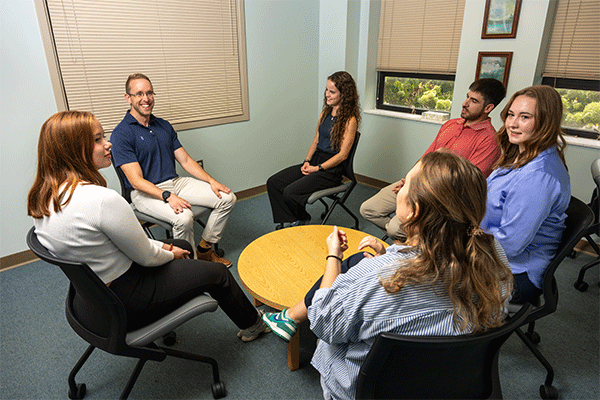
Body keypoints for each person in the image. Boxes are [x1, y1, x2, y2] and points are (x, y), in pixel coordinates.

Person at [263, 150, 513, 399]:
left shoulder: (377, 278)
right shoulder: (495, 257)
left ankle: (288, 317)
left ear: (414, 211)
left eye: (405, 182)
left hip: (371, 391)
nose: (400, 185)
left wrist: (334, 257)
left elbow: (323, 323)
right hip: (449, 384)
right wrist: (389, 257)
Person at [27, 111, 270, 341]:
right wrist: (170, 253)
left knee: (182, 243)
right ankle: (254, 326)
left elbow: (126, 243)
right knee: (218, 274)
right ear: (72, 150)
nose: (107, 144)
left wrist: (169, 248)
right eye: (97, 139)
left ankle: (189, 274)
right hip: (126, 299)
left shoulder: (45, 198)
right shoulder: (102, 200)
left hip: (93, 298)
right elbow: (146, 257)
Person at [110, 73, 235, 267]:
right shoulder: (121, 134)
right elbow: (136, 181)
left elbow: (184, 160)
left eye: (149, 93)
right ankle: (191, 268)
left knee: (227, 198)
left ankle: (204, 250)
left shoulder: (163, 125)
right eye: (139, 94)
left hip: (175, 182)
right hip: (145, 192)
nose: (146, 99)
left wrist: (212, 181)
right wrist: (167, 196)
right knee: (184, 218)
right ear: (128, 98)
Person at [360, 78, 506, 243]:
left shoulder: (490, 141)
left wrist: (423, 190)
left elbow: (467, 184)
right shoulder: (451, 125)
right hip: (416, 183)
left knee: (395, 228)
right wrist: (409, 179)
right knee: (368, 209)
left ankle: (413, 243)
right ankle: (416, 242)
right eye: (467, 97)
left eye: (473, 101)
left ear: (488, 108)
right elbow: (426, 157)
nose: (465, 103)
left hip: (439, 198)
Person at [481, 85, 571, 304]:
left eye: (525, 117)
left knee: (430, 282)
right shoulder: (519, 157)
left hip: (514, 273)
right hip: (490, 251)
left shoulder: (538, 177)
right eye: (511, 114)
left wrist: (457, 246)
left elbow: (509, 245)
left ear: (545, 122)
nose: (512, 123)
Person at [266, 71, 361, 229]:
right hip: (315, 161)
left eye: (332, 92)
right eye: (326, 90)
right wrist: (307, 162)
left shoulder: (350, 120)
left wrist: (317, 168)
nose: (327, 95)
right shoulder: (325, 113)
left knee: (290, 192)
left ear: (344, 94)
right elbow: (316, 140)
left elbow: (343, 155)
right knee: (273, 183)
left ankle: (303, 217)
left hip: (331, 171)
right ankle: (294, 217)